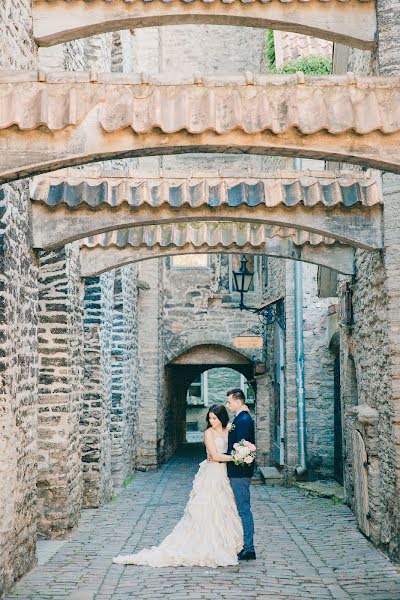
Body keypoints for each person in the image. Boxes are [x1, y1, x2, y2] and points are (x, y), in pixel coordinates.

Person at [112, 403, 243, 567]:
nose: (211, 421)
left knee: (224, 507)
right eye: (209, 418)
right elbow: (215, 456)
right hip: (212, 473)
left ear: (222, 418)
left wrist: (243, 450)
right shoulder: (208, 433)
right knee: (208, 506)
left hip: (224, 474)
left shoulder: (228, 429)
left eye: (215, 418)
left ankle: (223, 542)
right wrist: (235, 457)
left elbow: (241, 422)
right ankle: (204, 543)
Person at [225, 388, 256, 561]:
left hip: (240, 472)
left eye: (229, 402)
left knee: (244, 509)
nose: (228, 405)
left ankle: (249, 548)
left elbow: (243, 447)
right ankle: (245, 545)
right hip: (237, 471)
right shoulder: (240, 418)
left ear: (238, 401)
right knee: (241, 508)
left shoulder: (243, 419)